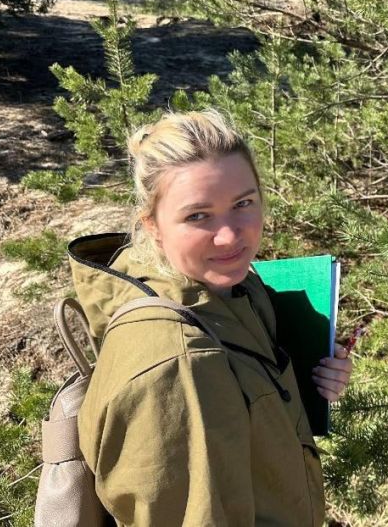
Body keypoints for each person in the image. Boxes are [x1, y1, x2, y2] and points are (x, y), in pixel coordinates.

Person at [68, 109, 353, 526]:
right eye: (197, 216)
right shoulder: (177, 364)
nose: (230, 236)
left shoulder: (234, 290)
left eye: (243, 203)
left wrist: (311, 377)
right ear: (153, 226)